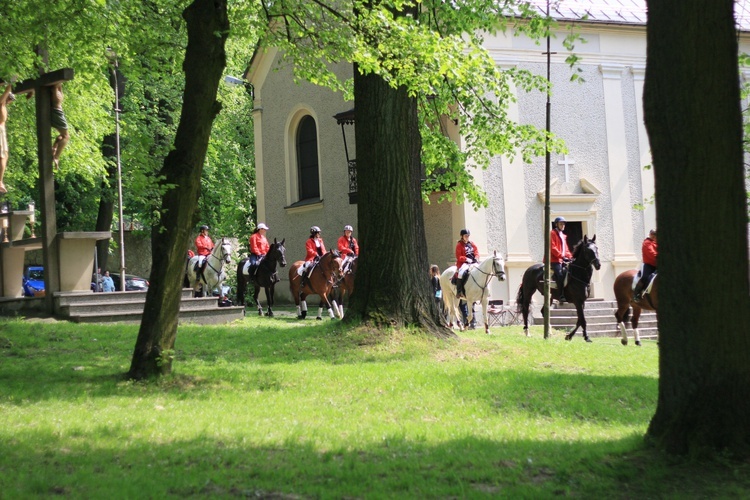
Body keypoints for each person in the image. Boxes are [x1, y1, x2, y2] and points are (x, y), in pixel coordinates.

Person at [550, 216, 572, 303]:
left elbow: (566, 249)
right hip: (554, 260)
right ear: (556, 225)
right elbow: (552, 247)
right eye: (561, 224)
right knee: (559, 274)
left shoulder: (563, 236)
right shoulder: (552, 233)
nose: (563, 225)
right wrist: (561, 256)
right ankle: (560, 295)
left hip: (562, 259)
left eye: (563, 224)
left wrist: (570, 257)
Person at [453, 228, 479, 299]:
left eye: (468, 236)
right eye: (465, 236)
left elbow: (476, 251)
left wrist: (476, 257)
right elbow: (458, 256)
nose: (467, 237)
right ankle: (459, 292)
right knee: (460, 274)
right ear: (462, 236)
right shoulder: (459, 244)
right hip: (464, 263)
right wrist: (466, 259)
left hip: (473, 262)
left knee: (481, 271)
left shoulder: (472, 243)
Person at [0, 82, 15, 194]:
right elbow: (5, 92)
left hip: (2, 131)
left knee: (5, 155)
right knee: (3, 156)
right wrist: (11, 82)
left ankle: (0, 180)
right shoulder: (1, 104)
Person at [634, 229, 657, 302]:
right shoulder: (647, 243)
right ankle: (636, 294)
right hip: (648, 265)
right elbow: (652, 254)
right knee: (645, 277)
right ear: (651, 235)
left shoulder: (657, 243)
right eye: (653, 235)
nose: (654, 237)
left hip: (658, 264)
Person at [51, 83, 69, 169]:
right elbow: (56, 85)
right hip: (57, 112)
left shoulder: (57, 88)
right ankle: (56, 157)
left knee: (61, 136)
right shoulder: (54, 87)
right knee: (66, 136)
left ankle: (54, 148)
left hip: (54, 111)